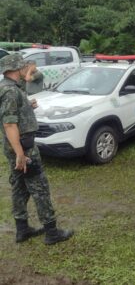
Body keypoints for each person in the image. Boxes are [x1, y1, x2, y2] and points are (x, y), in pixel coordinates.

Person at [0, 54, 73, 245]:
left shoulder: (10, 87)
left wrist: (27, 105)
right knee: (39, 188)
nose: (27, 69)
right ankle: (52, 232)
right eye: (23, 66)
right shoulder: (10, 91)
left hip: (16, 146)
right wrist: (20, 154)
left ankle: (22, 229)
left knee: (19, 187)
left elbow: (30, 79)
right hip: (23, 147)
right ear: (16, 68)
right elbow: (9, 124)